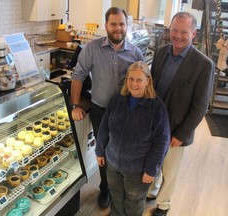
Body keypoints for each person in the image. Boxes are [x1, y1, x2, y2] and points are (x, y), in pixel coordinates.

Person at [70, 7, 144, 208]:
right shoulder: (91, 48)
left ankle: (121, 189)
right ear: (106, 26)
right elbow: (78, 75)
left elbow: (142, 82)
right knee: (103, 150)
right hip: (100, 110)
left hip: (127, 113)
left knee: (122, 151)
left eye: (121, 24)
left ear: (126, 26)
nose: (118, 28)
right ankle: (105, 189)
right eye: (113, 24)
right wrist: (75, 105)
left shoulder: (136, 52)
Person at [147, 12, 215, 216]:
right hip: (155, 123)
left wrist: (181, 134)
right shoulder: (160, 53)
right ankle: (152, 190)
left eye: (184, 32)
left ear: (193, 33)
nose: (177, 35)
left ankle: (163, 205)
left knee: (170, 168)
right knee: (154, 161)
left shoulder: (204, 65)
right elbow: (152, 87)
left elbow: (200, 106)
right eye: (174, 30)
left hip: (176, 129)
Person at [95, 61, 170, 216]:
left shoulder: (157, 107)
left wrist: (151, 170)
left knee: (134, 202)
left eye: (139, 80)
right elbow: (104, 127)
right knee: (116, 197)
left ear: (147, 81)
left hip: (138, 169)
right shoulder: (117, 100)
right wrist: (99, 151)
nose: (134, 84)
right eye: (131, 79)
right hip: (113, 164)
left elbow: (161, 143)